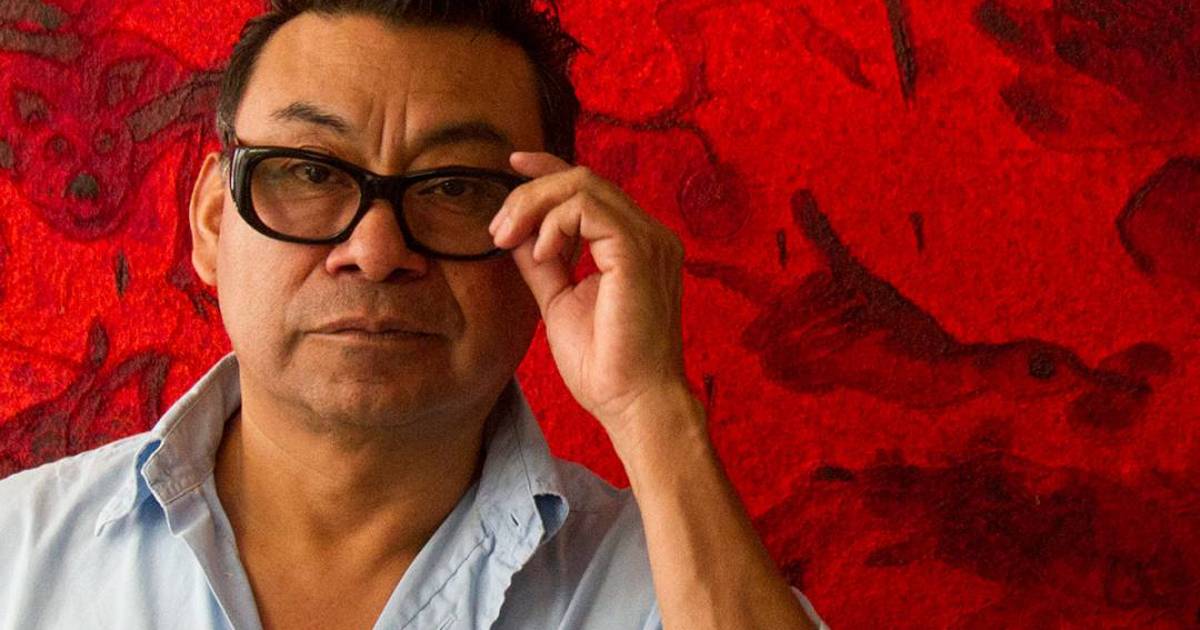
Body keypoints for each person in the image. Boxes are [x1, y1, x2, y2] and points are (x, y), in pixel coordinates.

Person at [0, 1, 827, 628]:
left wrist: (651, 408)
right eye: (310, 173)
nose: (376, 250)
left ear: (549, 236)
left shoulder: (669, 588)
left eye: (455, 187)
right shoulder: (18, 555)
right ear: (215, 221)